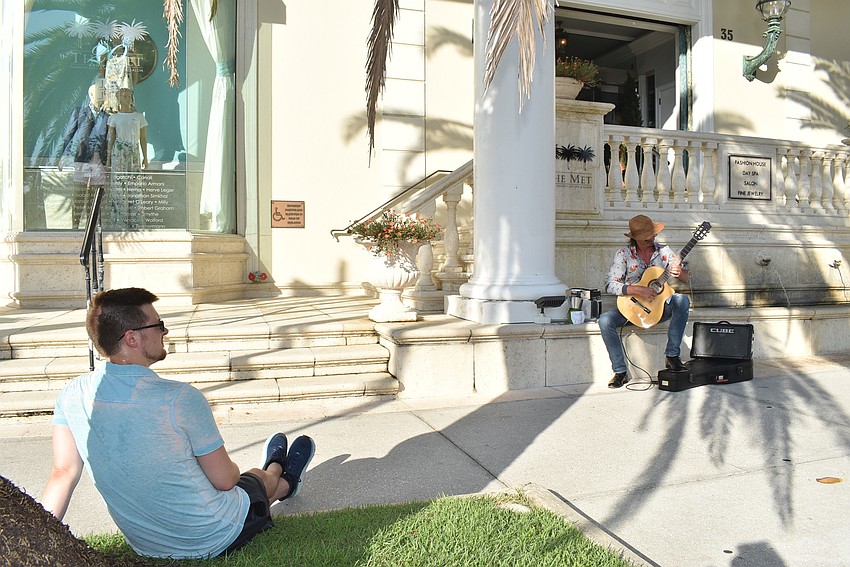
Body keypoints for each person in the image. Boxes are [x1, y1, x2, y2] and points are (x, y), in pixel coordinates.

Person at [40, 287, 316, 559]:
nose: (165, 331)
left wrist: (37, 541)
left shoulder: (71, 394)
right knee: (252, 480)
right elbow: (225, 481)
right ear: (132, 338)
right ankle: (283, 476)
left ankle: (278, 471)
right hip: (215, 537)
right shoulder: (180, 399)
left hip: (146, 544)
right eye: (158, 325)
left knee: (241, 486)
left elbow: (63, 472)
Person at [597, 215, 690, 389]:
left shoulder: (664, 252)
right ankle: (620, 371)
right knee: (605, 320)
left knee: (682, 300)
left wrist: (679, 273)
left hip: (659, 308)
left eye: (653, 235)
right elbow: (610, 285)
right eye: (647, 237)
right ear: (636, 238)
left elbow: (685, 277)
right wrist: (638, 290)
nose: (652, 239)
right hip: (631, 308)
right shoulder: (623, 255)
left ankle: (672, 356)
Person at [57, 83, 109, 228]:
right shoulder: (79, 112)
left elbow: (109, 138)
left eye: (103, 93)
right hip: (82, 158)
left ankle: (90, 228)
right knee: (79, 194)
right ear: (91, 95)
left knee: (94, 197)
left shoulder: (107, 115)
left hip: (99, 160)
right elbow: (69, 134)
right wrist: (63, 156)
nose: (102, 95)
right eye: (100, 93)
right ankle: (75, 226)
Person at [106, 87, 148, 229]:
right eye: (124, 96)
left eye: (129, 96)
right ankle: (119, 222)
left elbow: (143, 137)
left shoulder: (139, 117)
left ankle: (136, 221)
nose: (127, 98)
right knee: (119, 186)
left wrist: (145, 157)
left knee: (134, 186)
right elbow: (111, 139)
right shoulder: (113, 118)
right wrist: (108, 159)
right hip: (119, 152)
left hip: (133, 152)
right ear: (118, 98)